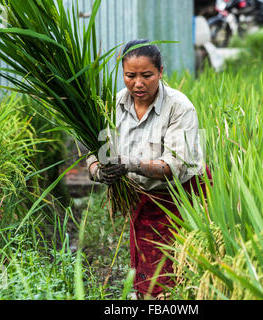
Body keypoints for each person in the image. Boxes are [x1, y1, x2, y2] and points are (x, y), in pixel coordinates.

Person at [86, 39, 210, 299]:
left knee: (178, 270)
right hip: (143, 199)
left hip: (182, 198)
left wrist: (127, 163)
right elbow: (93, 148)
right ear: (123, 73)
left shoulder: (179, 107)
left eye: (147, 75)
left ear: (161, 72)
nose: (138, 84)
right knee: (145, 271)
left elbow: (174, 165)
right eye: (130, 76)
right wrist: (98, 170)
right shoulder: (113, 104)